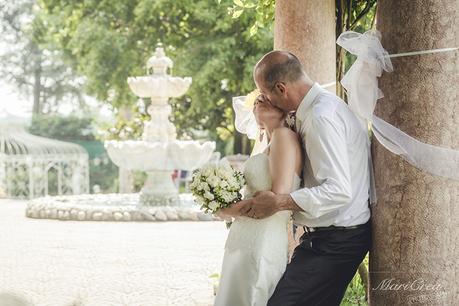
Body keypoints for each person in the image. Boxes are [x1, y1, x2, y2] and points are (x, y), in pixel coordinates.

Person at [225, 50, 372, 306]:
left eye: (265, 94)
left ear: (281, 88)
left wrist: (279, 202)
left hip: (338, 240)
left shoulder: (320, 117)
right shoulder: (314, 110)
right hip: (325, 237)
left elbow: (339, 190)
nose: (263, 101)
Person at [214, 88, 303, 306]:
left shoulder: (284, 135)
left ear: (284, 107)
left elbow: (276, 198)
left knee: (251, 296)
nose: (259, 100)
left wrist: (226, 210)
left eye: (265, 98)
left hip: (263, 239)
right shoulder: (268, 146)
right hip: (243, 239)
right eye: (257, 101)